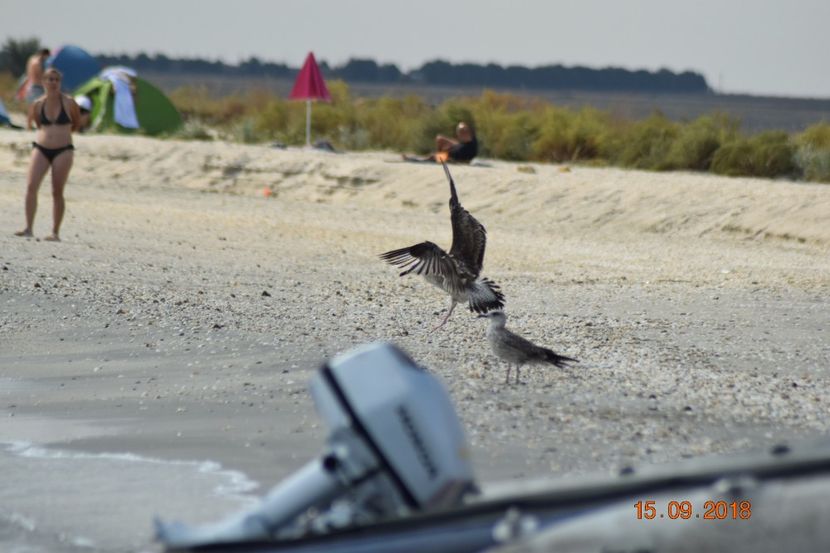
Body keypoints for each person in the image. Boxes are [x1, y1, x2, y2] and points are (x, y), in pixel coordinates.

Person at [14, 68, 81, 242]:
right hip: (41, 148)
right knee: (31, 186)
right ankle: (28, 227)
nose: (52, 83)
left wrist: (61, 134)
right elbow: (36, 123)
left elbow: (76, 123)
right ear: (43, 82)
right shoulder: (38, 104)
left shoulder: (69, 102)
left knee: (57, 190)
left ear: (60, 82)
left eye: (56, 80)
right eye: (49, 79)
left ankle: (55, 232)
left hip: (63, 149)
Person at [404, 121, 479, 163]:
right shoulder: (468, 142)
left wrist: (445, 153)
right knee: (439, 139)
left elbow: (456, 157)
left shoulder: (469, 145)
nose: (459, 135)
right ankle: (414, 157)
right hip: (453, 153)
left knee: (431, 157)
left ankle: (414, 159)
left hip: (450, 157)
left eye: (461, 132)